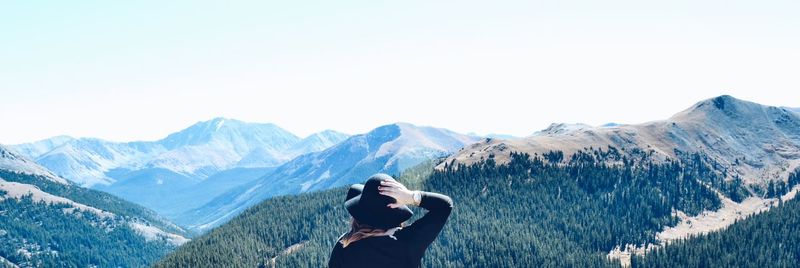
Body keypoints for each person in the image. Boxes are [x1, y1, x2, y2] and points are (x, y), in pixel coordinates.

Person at [328, 173, 453, 268]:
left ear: (359, 212)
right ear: (394, 210)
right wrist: (410, 197)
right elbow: (445, 206)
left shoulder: (344, 245)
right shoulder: (409, 242)